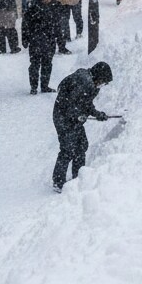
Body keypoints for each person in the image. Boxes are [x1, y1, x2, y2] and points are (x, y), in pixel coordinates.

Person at [52, 62, 113, 192]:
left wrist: (97, 114)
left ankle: (78, 178)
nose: (103, 85)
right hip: (63, 117)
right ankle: (58, 182)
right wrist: (77, 115)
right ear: (98, 76)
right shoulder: (84, 83)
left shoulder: (91, 83)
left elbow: (86, 103)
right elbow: (69, 103)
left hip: (73, 119)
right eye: (104, 81)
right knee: (67, 149)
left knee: (81, 146)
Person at [22, 0, 60, 93]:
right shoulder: (33, 8)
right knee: (35, 64)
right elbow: (25, 24)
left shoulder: (55, 7)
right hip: (36, 41)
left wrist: (60, 38)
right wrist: (25, 38)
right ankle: (34, 87)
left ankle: (44, 86)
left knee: (47, 64)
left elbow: (58, 25)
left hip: (49, 40)